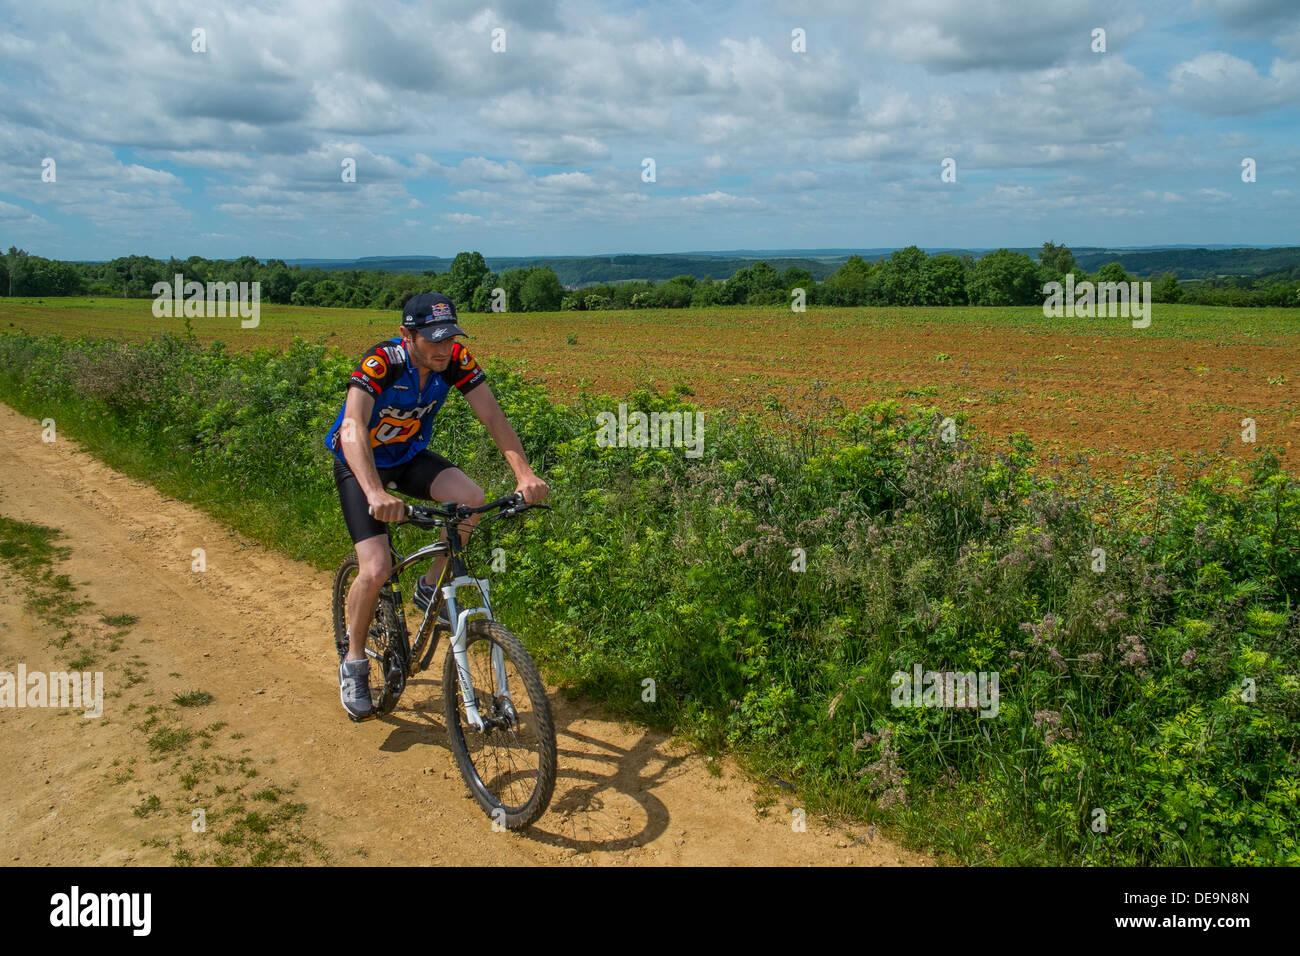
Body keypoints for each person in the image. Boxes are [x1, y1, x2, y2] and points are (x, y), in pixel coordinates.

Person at [324, 291, 549, 721]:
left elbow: (493, 417)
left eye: (450, 338)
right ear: (407, 335)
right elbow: (353, 426)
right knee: (374, 568)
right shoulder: (383, 362)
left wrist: (524, 475)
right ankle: (353, 661)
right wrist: (374, 492)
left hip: (407, 457)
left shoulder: (456, 360)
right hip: (361, 463)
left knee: (472, 500)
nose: (444, 349)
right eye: (433, 340)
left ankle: (428, 587)